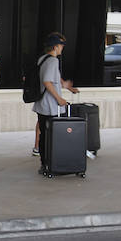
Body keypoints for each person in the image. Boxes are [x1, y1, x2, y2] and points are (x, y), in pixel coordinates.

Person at [32, 32, 79, 174]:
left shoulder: (42, 59)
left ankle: (45, 164)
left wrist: (68, 87)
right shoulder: (53, 61)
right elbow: (47, 81)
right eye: (61, 45)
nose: (62, 48)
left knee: (45, 135)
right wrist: (59, 98)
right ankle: (48, 164)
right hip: (49, 106)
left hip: (41, 104)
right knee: (49, 136)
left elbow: (55, 79)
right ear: (55, 46)